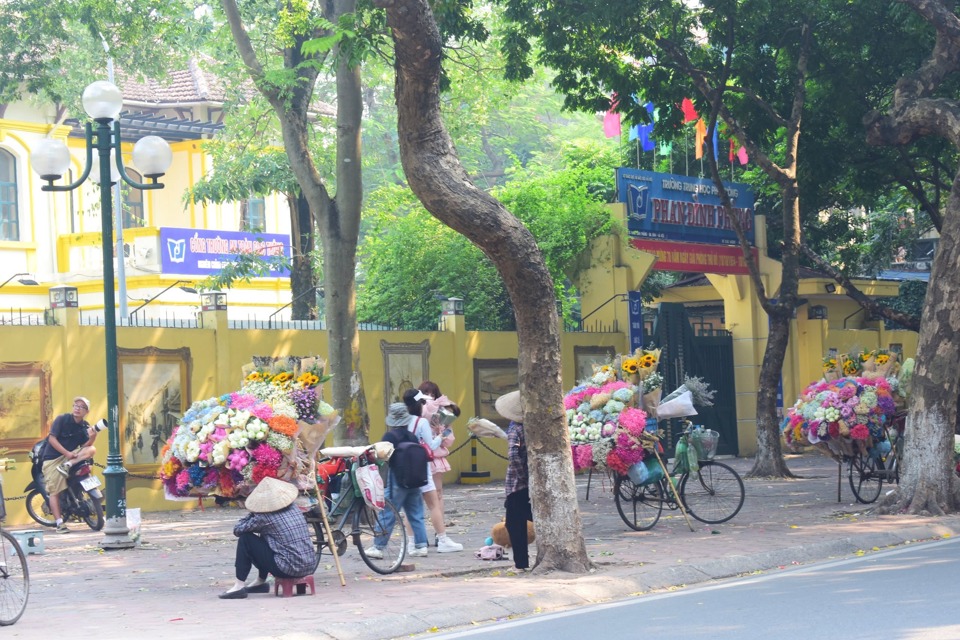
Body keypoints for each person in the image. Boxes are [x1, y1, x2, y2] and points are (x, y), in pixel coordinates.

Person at [219, 476, 315, 599]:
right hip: (309, 565)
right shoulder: (294, 508)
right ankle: (260, 581)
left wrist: (253, 512)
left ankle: (239, 586)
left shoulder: (264, 518)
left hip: (287, 568)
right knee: (266, 537)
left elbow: (238, 530)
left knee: (246, 539)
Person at [365, 402, 430, 559]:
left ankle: (378, 546)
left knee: (388, 512)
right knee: (416, 513)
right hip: (415, 480)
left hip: (397, 480)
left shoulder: (390, 437)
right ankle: (421, 546)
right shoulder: (412, 436)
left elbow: (382, 456)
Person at [403, 388, 464, 553]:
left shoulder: (403, 421)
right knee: (434, 504)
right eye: (423, 402)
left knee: (410, 506)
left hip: (407, 466)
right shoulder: (421, 422)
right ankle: (442, 540)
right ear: (419, 404)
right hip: (422, 466)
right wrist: (439, 436)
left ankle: (411, 544)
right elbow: (430, 446)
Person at [41, 396, 98, 533]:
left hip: (70, 459)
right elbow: (52, 439)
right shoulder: (62, 419)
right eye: (76, 405)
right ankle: (60, 523)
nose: (78, 408)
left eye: (82, 407)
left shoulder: (85, 426)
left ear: (87, 412)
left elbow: (85, 446)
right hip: (53, 458)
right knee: (55, 491)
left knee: (92, 449)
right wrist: (67, 453)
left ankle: (67, 466)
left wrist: (94, 435)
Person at [417, 381, 460, 544]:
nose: (430, 397)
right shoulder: (417, 413)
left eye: (433, 394)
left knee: (438, 495)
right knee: (418, 497)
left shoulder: (445, 415)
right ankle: (419, 536)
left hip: (436, 458)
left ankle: (439, 533)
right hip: (420, 457)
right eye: (426, 394)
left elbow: (449, 439)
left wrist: (440, 430)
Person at [496, 390, 533, 570]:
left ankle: (521, 563)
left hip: (517, 483)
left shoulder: (514, 429)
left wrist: (521, 476)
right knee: (523, 517)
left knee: (514, 523)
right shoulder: (529, 427)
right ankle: (522, 562)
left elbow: (513, 455)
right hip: (529, 480)